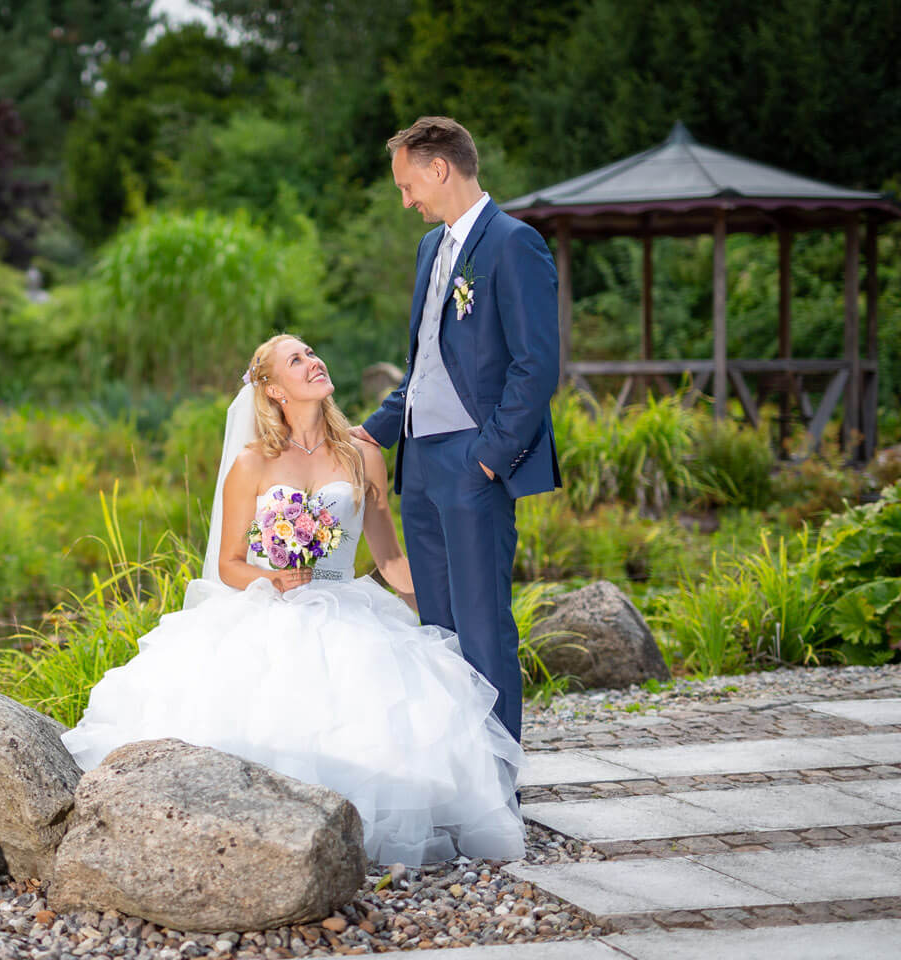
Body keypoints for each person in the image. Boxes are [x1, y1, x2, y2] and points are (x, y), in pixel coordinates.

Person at [62, 335, 524, 865]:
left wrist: (454, 605)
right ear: (275, 389)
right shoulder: (253, 464)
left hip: (346, 607)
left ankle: (357, 831)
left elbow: (390, 558)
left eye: (312, 353)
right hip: (269, 605)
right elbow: (229, 564)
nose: (313, 362)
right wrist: (272, 579)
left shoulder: (362, 455)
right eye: (296, 360)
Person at [351, 117, 560, 743]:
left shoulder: (513, 243)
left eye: (407, 184)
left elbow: (536, 365)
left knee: (481, 625)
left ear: (438, 169)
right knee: (436, 629)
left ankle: (498, 783)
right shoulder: (429, 248)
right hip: (420, 465)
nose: (406, 199)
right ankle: (455, 773)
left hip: (474, 463)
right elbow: (424, 365)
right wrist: (371, 433)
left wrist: (489, 458)